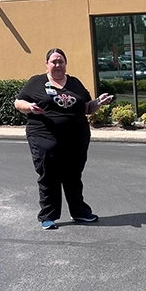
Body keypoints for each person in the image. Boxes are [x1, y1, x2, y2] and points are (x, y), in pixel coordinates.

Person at [14, 48, 114, 230]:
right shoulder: (36, 82)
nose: (58, 65)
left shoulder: (75, 83)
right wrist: (30, 106)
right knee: (48, 174)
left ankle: (80, 212)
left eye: (61, 61)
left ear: (65, 64)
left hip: (76, 137)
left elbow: (86, 108)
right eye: (54, 62)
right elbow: (18, 103)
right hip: (43, 134)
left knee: (73, 175)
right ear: (47, 65)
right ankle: (48, 216)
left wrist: (98, 102)